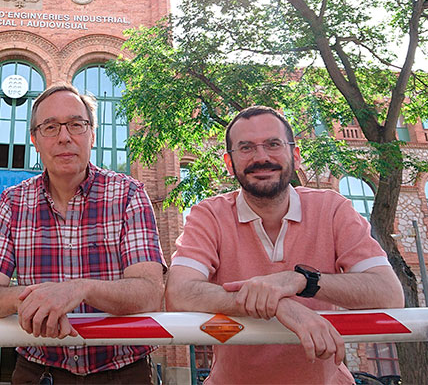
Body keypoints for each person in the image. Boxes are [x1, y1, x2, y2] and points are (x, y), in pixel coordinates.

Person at [166, 106, 404, 384]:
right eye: (246, 148)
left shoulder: (332, 208)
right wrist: (281, 306)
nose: (261, 157)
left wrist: (300, 281)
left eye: (273, 144)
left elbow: (389, 294)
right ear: (229, 163)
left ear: (296, 155)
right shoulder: (209, 215)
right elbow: (178, 293)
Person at [0, 83, 166, 385]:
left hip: (124, 373)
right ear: (34, 140)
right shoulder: (11, 203)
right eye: (50, 127)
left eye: (76, 124)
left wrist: (80, 289)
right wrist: (34, 299)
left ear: (92, 135)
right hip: (39, 373)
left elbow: (149, 293)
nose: (64, 137)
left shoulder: (129, 194)